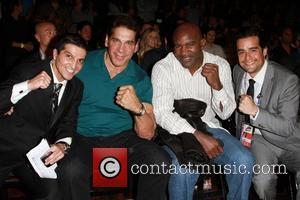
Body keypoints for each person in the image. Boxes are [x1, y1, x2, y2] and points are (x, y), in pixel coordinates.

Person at [58, 15, 170, 200]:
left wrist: (138, 108)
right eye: (116, 41)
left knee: (159, 162)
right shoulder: (83, 63)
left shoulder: (141, 78)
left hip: (122, 139)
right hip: (82, 137)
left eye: (128, 43)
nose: (121, 50)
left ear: (135, 46)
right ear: (106, 41)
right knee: (70, 170)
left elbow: (147, 134)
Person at [152, 22, 254, 200]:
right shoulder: (163, 67)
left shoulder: (219, 64)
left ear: (202, 42)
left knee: (243, 161)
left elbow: (226, 114)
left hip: (210, 128)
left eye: (189, 45)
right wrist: (197, 135)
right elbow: (161, 113)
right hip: (176, 133)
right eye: (178, 46)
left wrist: (217, 86)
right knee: (182, 169)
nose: (183, 52)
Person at [0, 34, 87, 199]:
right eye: (69, 56)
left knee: (52, 193)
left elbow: (69, 122)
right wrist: (28, 85)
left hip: (34, 154)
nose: (74, 66)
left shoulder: (76, 87)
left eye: (80, 60)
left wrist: (63, 145)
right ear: (55, 54)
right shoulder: (29, 70)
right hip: (5, 147)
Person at [233, 26, 300, 200]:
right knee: (263, 180)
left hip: (290, 140)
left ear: (264, 51)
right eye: (241, 52)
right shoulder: (237, 71)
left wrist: (255, 111)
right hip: (258, 140)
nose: (247, 58)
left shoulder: (288, 80)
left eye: (253, 50)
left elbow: (286, 127)